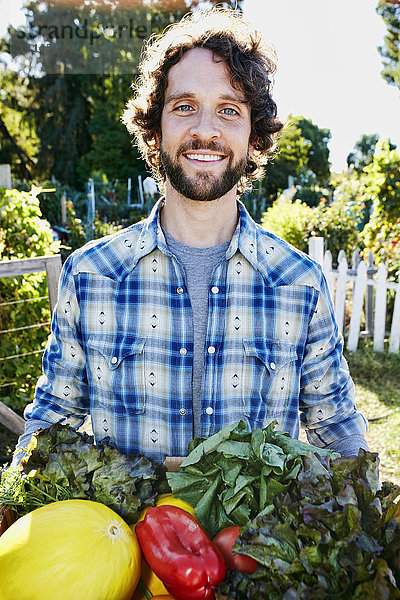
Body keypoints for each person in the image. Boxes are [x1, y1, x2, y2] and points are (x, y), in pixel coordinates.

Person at [13, 8, 369, 465]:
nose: (205, 130)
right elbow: (51, 421)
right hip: (125, 536)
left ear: (254, 136)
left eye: (228, 109)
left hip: (252, 538)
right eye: (184, 107)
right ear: (155, 131)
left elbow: (337, 428)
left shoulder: (300, 282)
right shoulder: (89, 275)